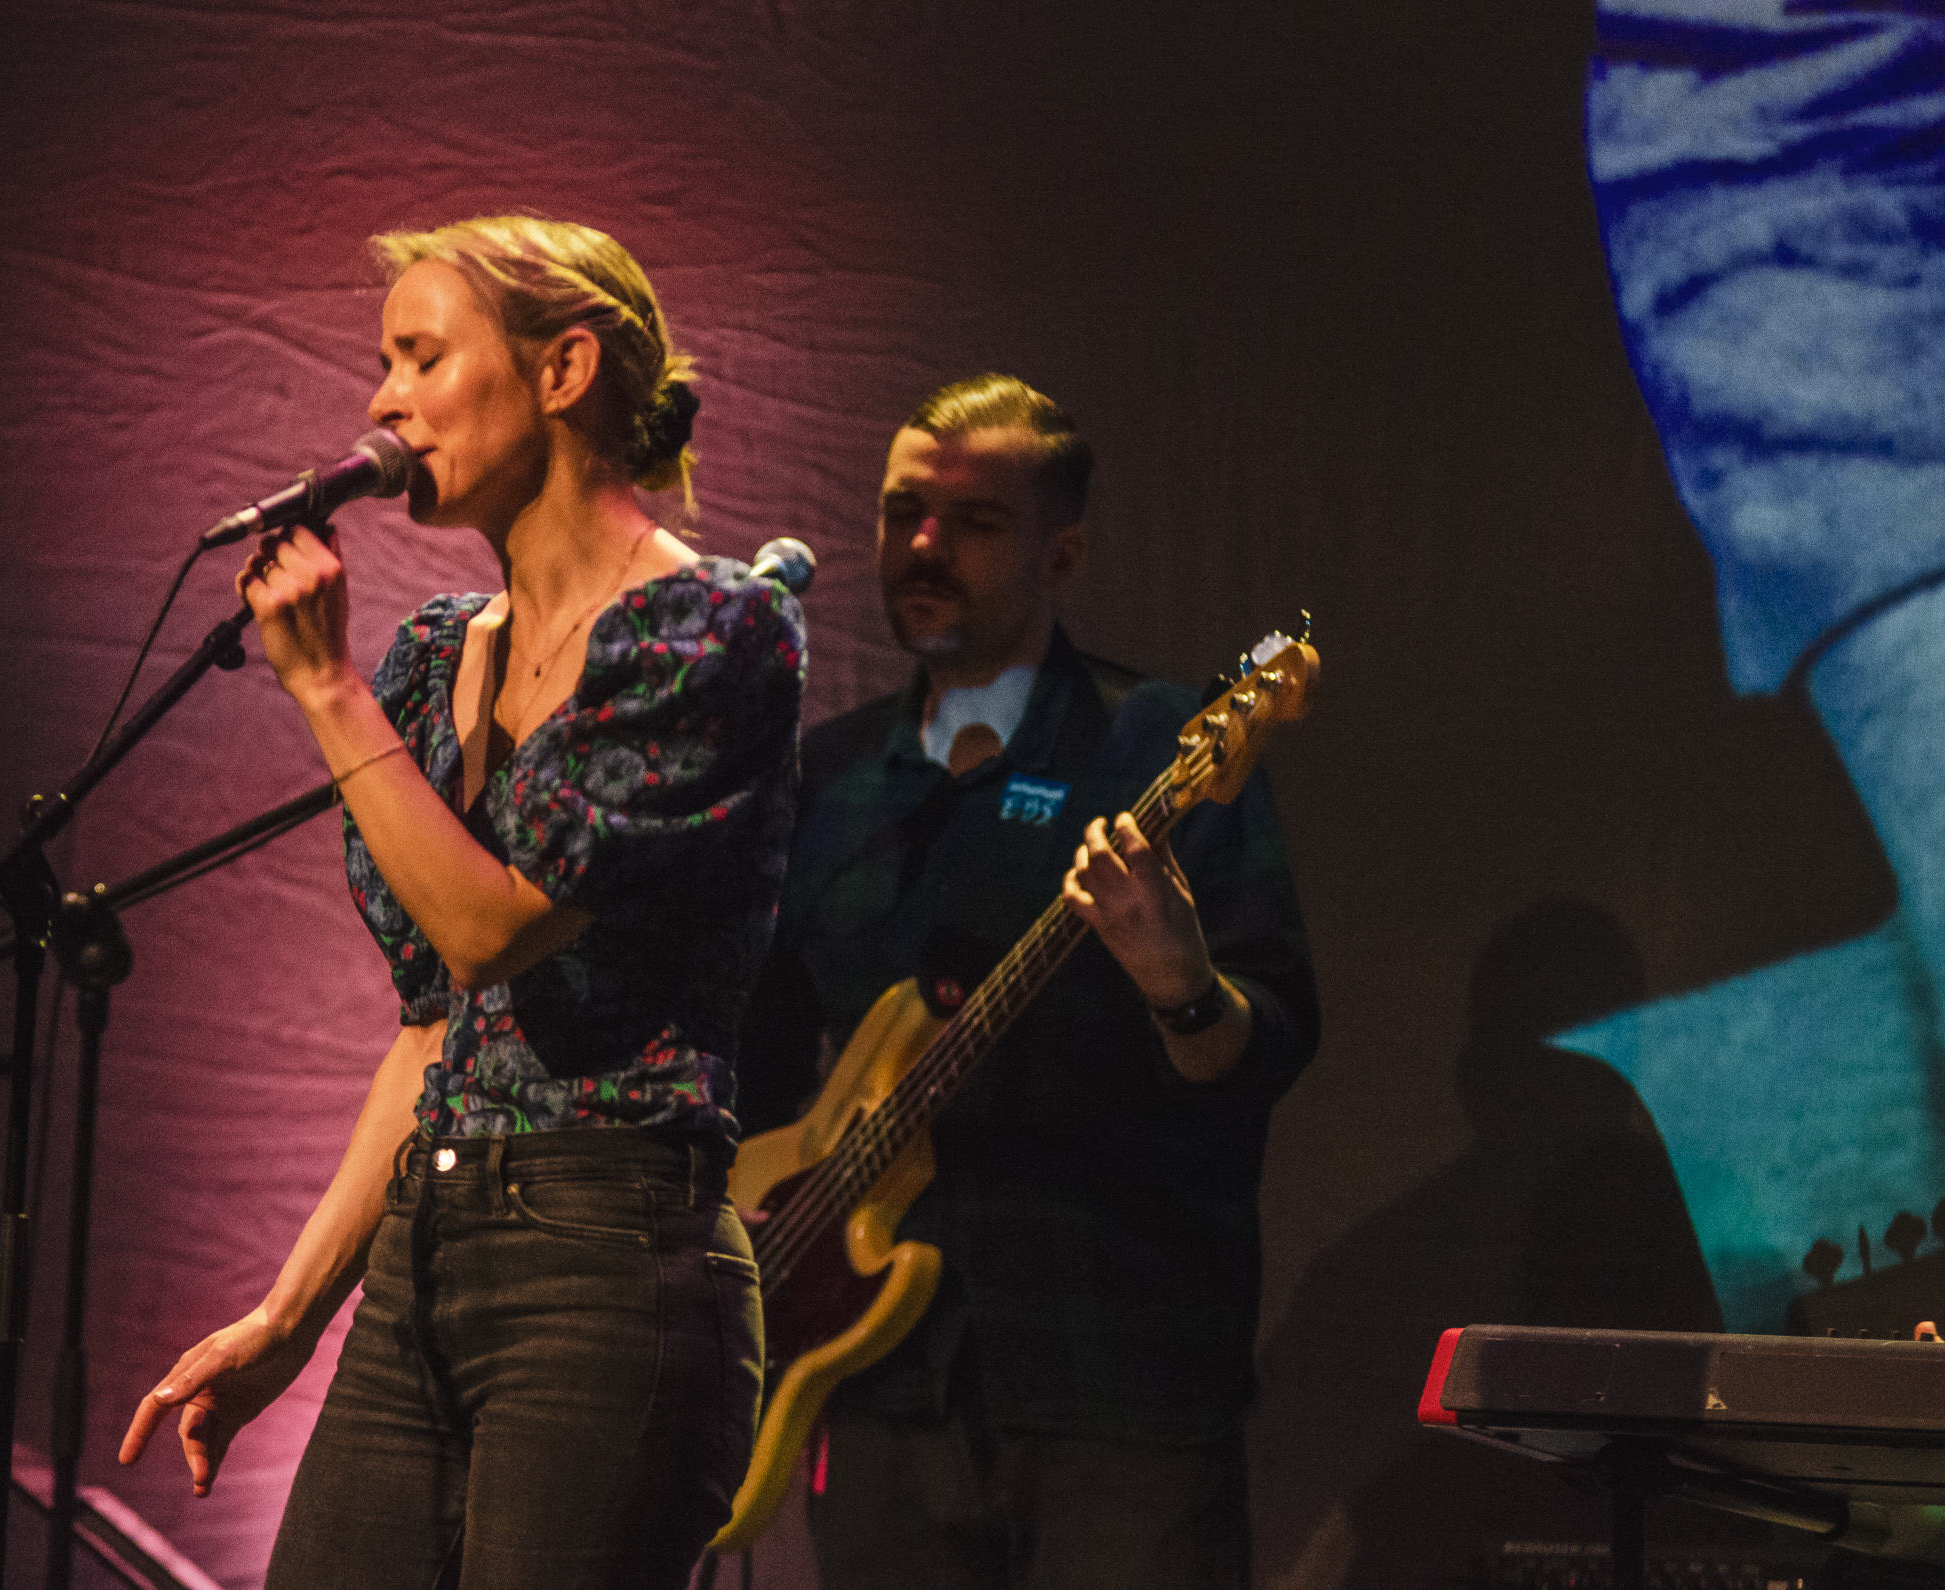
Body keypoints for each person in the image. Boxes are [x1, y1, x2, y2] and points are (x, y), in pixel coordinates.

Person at [118, 215, 805, 1589]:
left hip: (610, 1254)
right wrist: (289, 1312)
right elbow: (440, 1021)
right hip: (428, 1244)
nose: (380, 399)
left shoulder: (710, 630)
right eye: (384, 362)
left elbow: (493, 921)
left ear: (563, 369)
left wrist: (322, 688)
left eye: (423, 356)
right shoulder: (439, 655)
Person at [735, 374, 1318, 1588]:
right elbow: (754, 1073)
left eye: (976, 522)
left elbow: (1267, 1043)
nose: (925, 546)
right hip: (876, 1386)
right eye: (904, 513)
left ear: (1065, 552)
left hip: (1117, 1382)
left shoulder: (1157, 745)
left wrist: (1180, 984)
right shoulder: (827, 776)